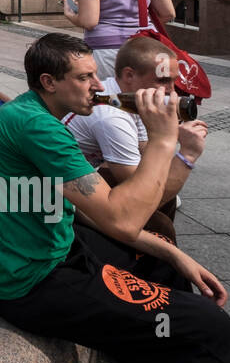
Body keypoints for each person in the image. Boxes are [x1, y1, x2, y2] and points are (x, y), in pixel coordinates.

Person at [0, 33, 230, 363]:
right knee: (211, 325)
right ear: (49, 82)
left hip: (52, 246)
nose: (97, 85)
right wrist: (165, 139)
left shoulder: (32, 113)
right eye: (84, 77)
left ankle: (162, 346)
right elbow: (123, 219)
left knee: (160, 257)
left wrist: (174, 253)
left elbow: (90, 210)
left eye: (95, 74)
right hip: (32, 282)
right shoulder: (38, 129)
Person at [64, 37, 207, 243]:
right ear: (129, 75)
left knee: (163, 189)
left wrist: (163, 132)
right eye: (163, 80)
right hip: (68, 200)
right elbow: (145, 197)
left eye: (173, 81)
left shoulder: (131, 97)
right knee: (160, 220)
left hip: (81, 183)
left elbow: (145, 151)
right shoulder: (111, 117)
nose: (171, 91)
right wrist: (187, 154)